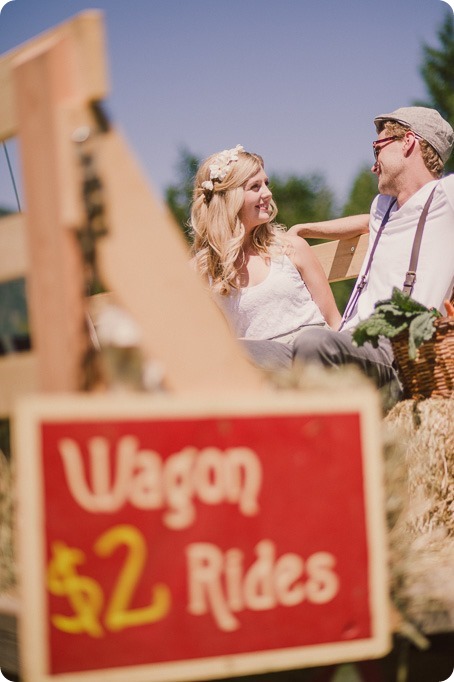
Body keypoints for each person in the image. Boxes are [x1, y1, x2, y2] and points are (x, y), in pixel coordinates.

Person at [289, 106, 454, 394]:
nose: (373, 163)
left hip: (398, 355)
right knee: (243, 353)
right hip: (348, 339)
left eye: (377, 148)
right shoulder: (382, 207)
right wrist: (303, 229)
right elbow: (365, 223)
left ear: (409, 142)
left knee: (313, 343)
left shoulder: (446, 196)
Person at [190, 145, 341, 370]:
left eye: (266, 184)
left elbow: (334, 321)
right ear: (230, 197)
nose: (268, 193)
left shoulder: (291, 248)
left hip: (315, 355)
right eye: (255, 186)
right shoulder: (202, 270)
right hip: (261, 368)